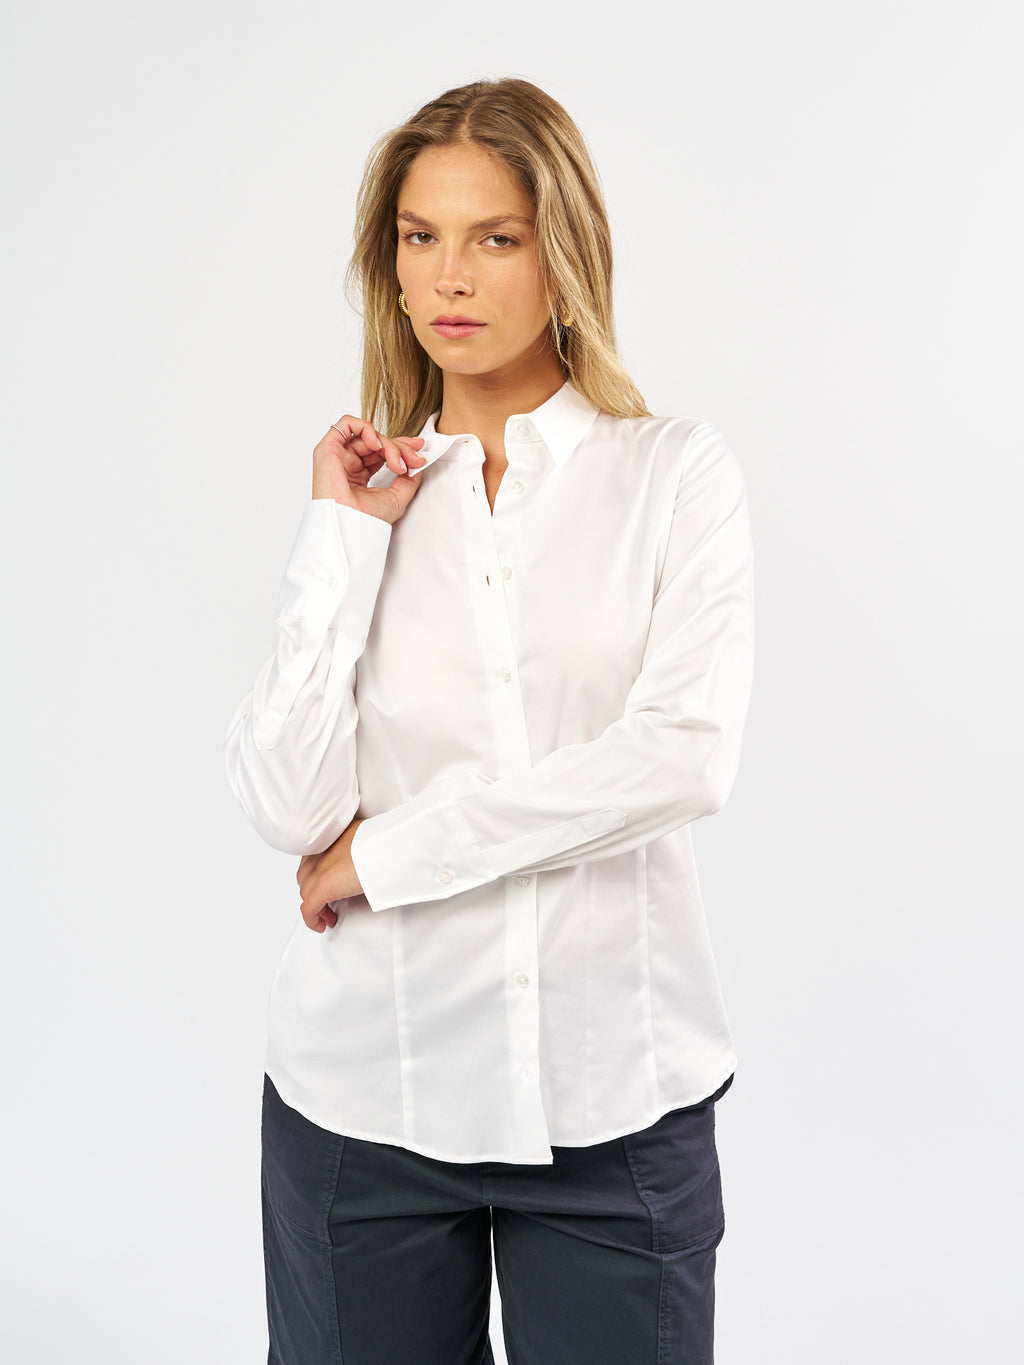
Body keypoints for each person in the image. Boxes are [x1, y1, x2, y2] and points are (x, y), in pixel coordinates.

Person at [225, 77, 754, 1365]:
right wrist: (340, 540)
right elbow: (289, 807)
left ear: (563, 254)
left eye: (494, 237)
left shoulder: (673, 475)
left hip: (614, 1105)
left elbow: (680, 760)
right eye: (420, 236)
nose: (449, 276)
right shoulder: (373, 506)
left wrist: (389, 856)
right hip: (366, 1103)